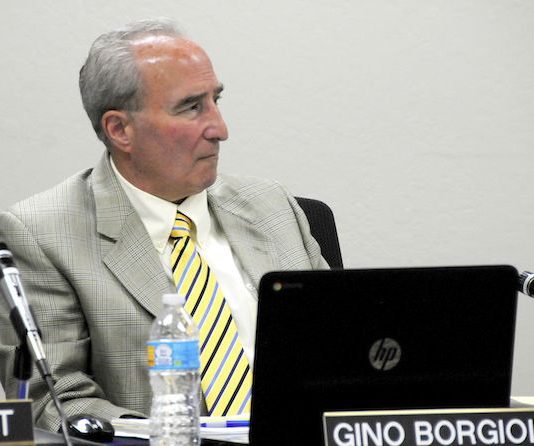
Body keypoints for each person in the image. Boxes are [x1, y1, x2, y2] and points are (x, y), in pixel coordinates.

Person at [0, 18, 328, 432]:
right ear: (120, 129)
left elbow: (342, 350)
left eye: (216, 100)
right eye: (191, 107)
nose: (220, 129)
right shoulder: (41, 234)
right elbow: (56, 401)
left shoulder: (272, 207)